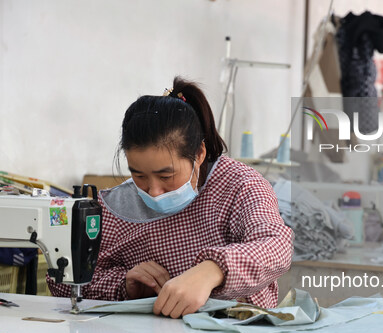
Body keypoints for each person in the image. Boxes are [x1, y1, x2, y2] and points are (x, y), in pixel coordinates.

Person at [49, 77, 293, 318]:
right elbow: (63, 280)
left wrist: (212, 271)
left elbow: (275, 246)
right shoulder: (116, 207)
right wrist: (123, 285)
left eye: (166, 176)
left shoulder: (239, 186)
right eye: (138, 175)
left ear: (199, 153)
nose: (153, 191)